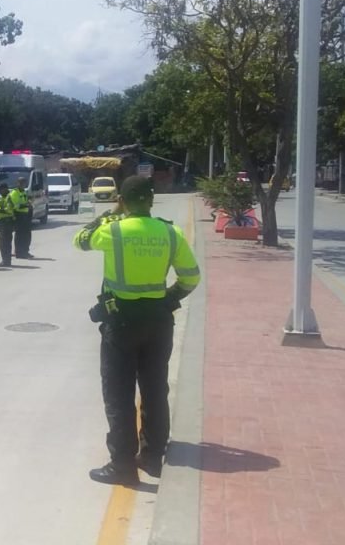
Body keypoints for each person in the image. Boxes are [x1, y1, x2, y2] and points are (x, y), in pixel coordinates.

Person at [73, 175, 201, 485]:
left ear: (122, 200)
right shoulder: (170, 232)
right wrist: (167, 299)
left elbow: (80, 239)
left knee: (119, 393)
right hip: (158, 321)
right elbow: (191, 278)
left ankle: (122, 465)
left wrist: (108, 215)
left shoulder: (113, 230)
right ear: (152, 200)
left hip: (121, 322)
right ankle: (153, 457)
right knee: (155, 389)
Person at [11, 177, 33, 259]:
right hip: (18, 215)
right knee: (20, 235)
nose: (23, 185)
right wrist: (25, 205)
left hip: (25, 215)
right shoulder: (14, 193)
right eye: (21, 183)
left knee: (26, 234)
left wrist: (29, 202)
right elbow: (15, 205)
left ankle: (25, 251)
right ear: (18, 183)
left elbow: (25, 201)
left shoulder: (24, 192)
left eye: (24, 183)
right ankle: (19, 252)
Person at [0, 183, 15, 267]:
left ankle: (6, 261)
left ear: (5, 189)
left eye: (1, 189)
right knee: (4, 243)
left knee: (5, 243)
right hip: (3, 221)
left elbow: (9, 210)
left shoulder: (8, 198)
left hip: (6, 221)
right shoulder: (2, 197)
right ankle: (6, 260)